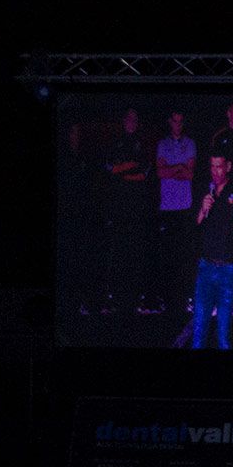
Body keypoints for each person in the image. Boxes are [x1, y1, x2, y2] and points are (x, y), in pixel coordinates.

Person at [189, 153, 233, 350]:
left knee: (223, 335)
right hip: (206, 267)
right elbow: (194, 226)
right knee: (199, 331)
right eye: (212, 167)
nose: (216, 171)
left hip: (229, 269)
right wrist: (201, 210)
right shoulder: (206, 190)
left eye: (220, 167)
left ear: (228, 166)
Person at [101, 108, 151, 315]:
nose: (132, 122)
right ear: (124, 121)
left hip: (136, 208)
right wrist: (129, 167)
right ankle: (114, 297)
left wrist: (126, 170)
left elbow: (143, 173)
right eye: (129, 119)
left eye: (135, 119)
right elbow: (111, 169)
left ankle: (134, 298)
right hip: (118, 207)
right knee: (117, 252)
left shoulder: (141, 144)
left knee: (135, 252)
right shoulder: (115, 143)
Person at [152, 110, 196, 315]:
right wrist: (178, 167)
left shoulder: (190, 144)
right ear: (170, 122)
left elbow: (189, 174)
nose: (177, 124)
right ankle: (167, 300)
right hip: (167, 207)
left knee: (183, 255)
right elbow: (161, 172)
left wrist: (174, 168)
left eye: (181, 121)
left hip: (184, 206)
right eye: (174, 121)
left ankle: (182, 300)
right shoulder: (162, 144)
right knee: (167, 255)